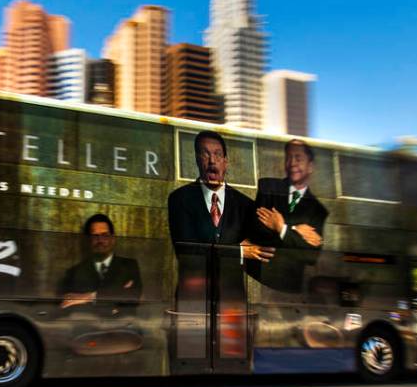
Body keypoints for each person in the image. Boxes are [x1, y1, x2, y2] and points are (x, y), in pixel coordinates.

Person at [167, 130, 274, 263]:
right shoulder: (179, 199)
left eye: (217, 155)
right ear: (197, 159)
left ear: (225, 162)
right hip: (194, 283)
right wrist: (239, 251)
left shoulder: (245, 205)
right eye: (205, 154)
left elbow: (259, 252)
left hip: (232, 284)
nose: (212, 161)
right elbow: (186, 252)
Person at [254, 138, 329, 292]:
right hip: (258, 281)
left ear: (310, 166)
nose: (292, 163)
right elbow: (258, 230)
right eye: (288, 158)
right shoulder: (267, 186)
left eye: (298, 158)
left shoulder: (318, 210)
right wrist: (296, 229)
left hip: (290, 289)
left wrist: (282, 227)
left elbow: (311, 256)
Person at [60, 213, 142, 310]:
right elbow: (68, 306)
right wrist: (118, 293)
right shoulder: (73, 273)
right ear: (88, 240)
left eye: (105, 235)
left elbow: (132, 297)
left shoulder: (129, 266)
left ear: (113, 239)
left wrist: (90, 297)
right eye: (95, 236)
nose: (100, 240)